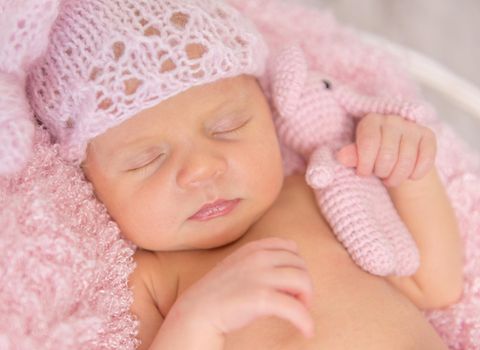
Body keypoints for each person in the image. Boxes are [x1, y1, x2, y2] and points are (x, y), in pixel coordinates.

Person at [25, 0, 463, 349]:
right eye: (146, 160)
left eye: (228, 127)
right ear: (91, 185)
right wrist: (199, 319)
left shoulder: (319, 190)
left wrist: (408, 170)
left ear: (270, 115)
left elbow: (433, 284)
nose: (202, 170)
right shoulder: (152, 277)